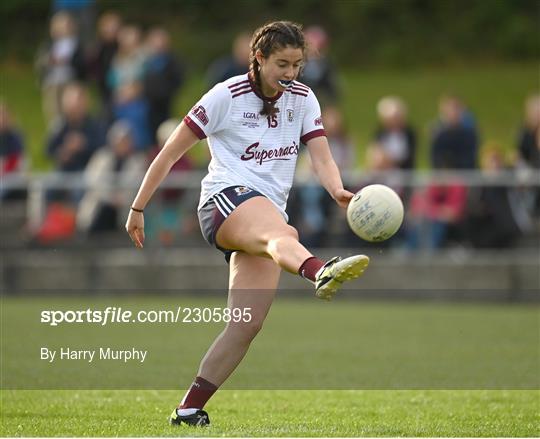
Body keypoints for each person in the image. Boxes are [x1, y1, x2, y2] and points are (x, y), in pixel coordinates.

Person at [125, 21, 369, 427]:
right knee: (282, 234)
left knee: (245, 324)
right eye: (281, 64)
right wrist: (137, 208)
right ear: (258, 59)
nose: (290, 73)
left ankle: (188, 409)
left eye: (297, 64)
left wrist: (337, 190)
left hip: (265, 216)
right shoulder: (225, 95)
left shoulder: (304, 98)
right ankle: (319, 270)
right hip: (223, 203)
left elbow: (322, 157)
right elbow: (168, 153)